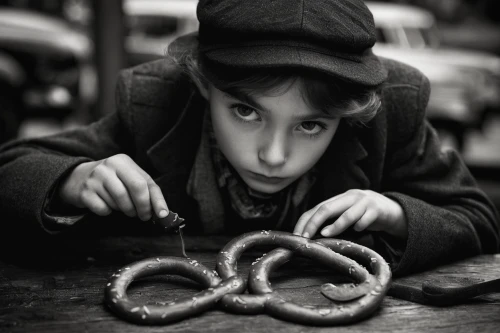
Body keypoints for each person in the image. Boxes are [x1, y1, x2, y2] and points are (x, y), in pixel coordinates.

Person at [0, 0, 498, 276]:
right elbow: (12, 168)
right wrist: (73, 181)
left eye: (310, 125)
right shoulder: (156, 101)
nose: (273, 156)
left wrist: (397, 215)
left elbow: (478, 220)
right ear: (202, 84)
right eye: (245, 111)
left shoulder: (395, 108)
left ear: (348, 114)